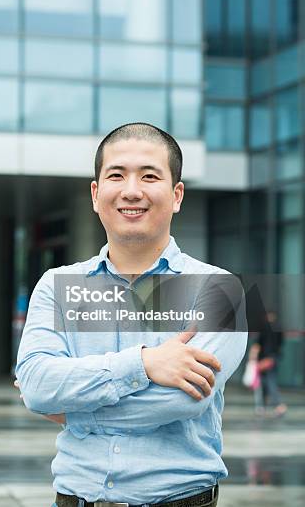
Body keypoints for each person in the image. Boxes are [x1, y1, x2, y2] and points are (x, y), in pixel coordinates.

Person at [15, 122, 247, 507]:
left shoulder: (221, 291)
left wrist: (73, 413)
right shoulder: (56, 283)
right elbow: (38, 384)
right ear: (95, 193)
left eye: (149, 176)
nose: (132, 190)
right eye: (116, 175)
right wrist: (143, 364)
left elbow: (180, 402)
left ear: (176, 195)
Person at [250, 311, 287, 417]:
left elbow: (257, 345)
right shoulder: (279, 328)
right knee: (269, 382)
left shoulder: (264, 328)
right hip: (275, 358)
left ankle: (278, 405)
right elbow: (281, 343)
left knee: (267, 383)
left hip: (264, 360)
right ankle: (264, 407)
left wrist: (252, 358)